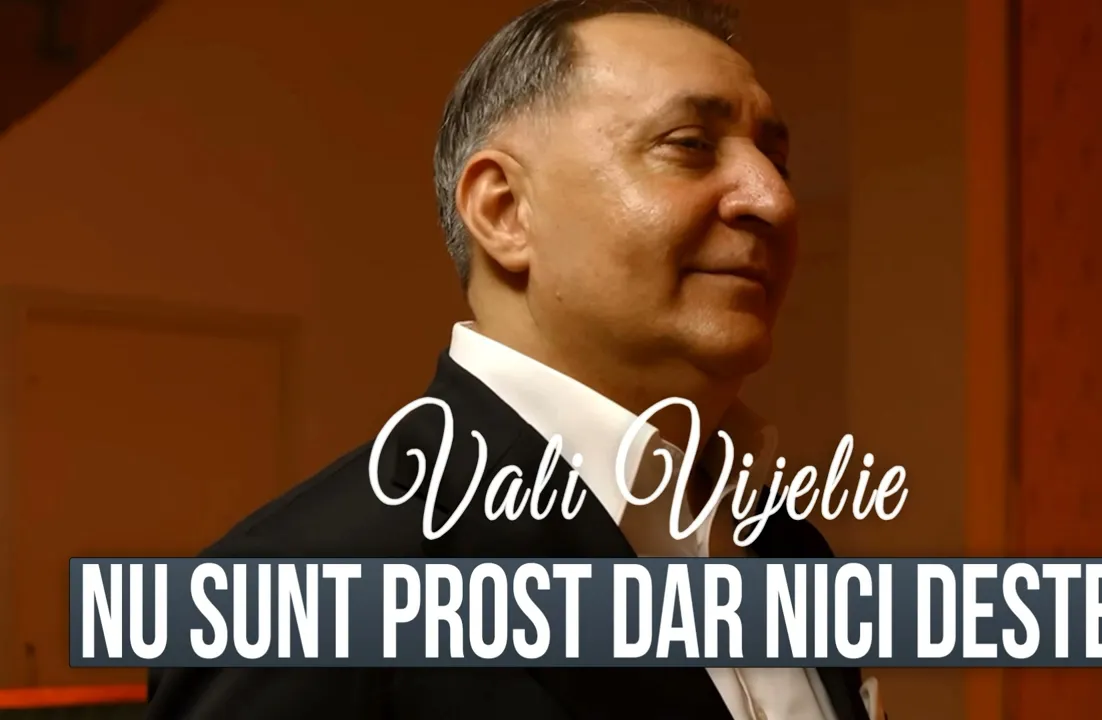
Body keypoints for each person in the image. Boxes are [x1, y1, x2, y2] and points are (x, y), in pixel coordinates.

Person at [146, 1, 884, 718]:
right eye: (690, 145)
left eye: (777, 160)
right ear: (504, 211)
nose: (774, 200)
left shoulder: (788, 548)